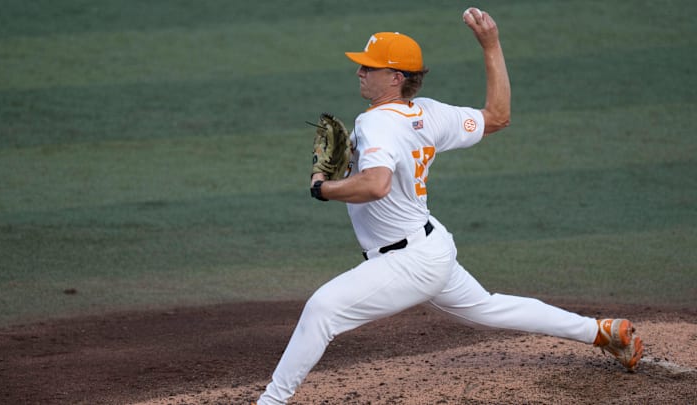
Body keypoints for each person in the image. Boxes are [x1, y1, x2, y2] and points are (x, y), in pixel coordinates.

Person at [257, 8, 643, 405]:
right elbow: (497, 117)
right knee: (489, 308)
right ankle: (602, 332)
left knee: (322, 309)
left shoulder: (375, 124)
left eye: (370, 67)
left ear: (396, 77)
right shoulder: (428, 112)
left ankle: (271, 401)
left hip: (407, 262)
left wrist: (323, 188)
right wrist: (491, 45)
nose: (359, 71)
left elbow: (376, 185)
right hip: (430, 247)